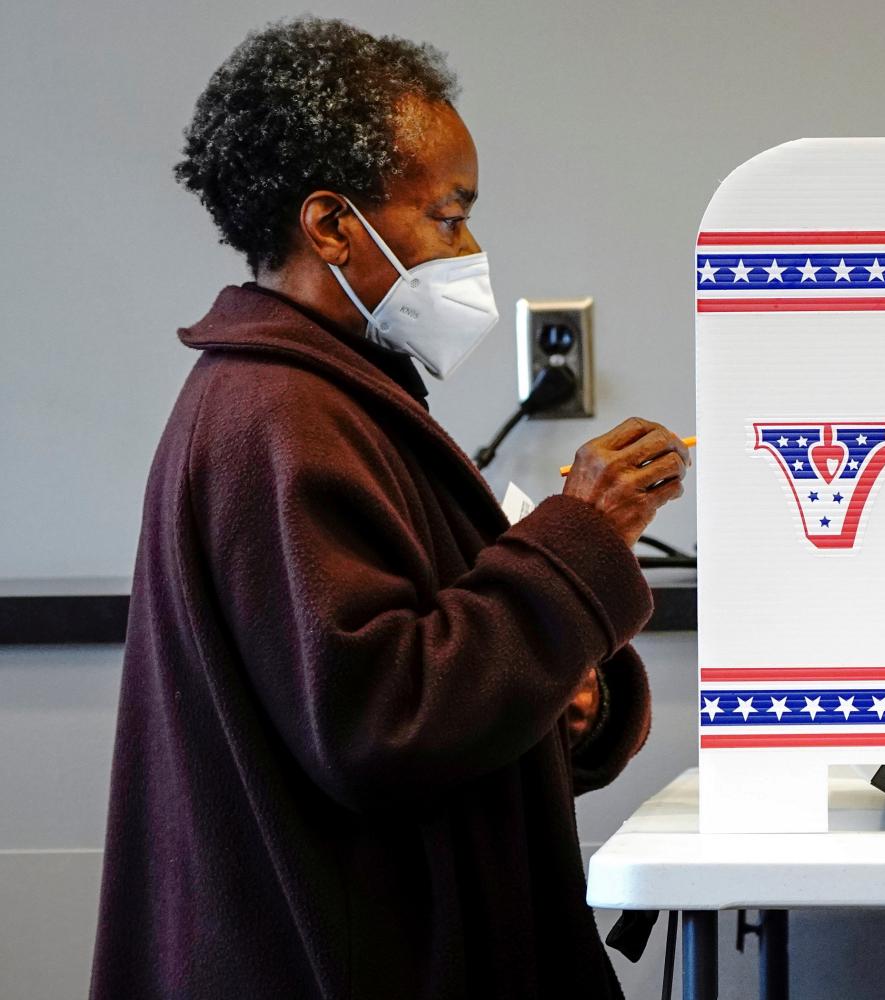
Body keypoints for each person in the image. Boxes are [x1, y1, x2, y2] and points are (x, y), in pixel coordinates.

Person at [89, 17, 688, 999]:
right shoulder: (277, 417)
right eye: (448, 217)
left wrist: (566, 689)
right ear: (330, 226)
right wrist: (583, 532)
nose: (470, 247)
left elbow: (405, 670)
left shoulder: (333, 400)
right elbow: (380, 723)